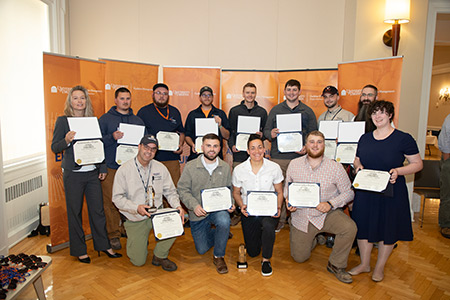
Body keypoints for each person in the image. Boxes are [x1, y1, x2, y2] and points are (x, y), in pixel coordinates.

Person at [350, 100, 422, 282]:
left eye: (382, 112)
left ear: (390, 115)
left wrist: (398, 171)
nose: (377, 116)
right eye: (374, 113)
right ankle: (364, 264)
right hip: (366, 190)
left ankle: (379, 268)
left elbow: (417, 164)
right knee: (363, 226)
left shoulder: (403, 138)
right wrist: (358, 166)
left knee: (387, 228)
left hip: (390, 191)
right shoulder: (364, 138)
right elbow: (356, 159)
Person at [51, 85, 121, 263]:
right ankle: (80, 250)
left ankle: (103, 245)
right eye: (75, 98)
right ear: (70, 101)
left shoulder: (93, 121)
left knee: (97, 211)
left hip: (92, 173)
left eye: (82, 98)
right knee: (74, 212)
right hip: (73, 174)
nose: (79, 101)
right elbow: (55, 147)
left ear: (86, 101)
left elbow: (98, 146)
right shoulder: (63, 121)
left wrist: (102, 167)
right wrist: (66, 140)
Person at [285, 130, 356, 284]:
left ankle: (336, 264)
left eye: (319, 142)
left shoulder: (335, 167)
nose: (315, 145)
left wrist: (331, 204)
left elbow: (349, 193)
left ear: (325, 145)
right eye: (312, 141)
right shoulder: (294, 164)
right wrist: (288, 201)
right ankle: (315, 239)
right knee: (299, 258)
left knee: (349, 228)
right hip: (301, 216)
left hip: (327, 214)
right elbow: (287, 189)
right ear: (305, 144)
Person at [112, 135, 185, 270]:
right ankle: (137, 241)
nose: (149, 151)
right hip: (135, 216)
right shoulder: (124, 169)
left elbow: (170, 192)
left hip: (157, 212)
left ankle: (160, 255)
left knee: (176, 221)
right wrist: (136, 207)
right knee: (138, 261)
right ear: (139, 147)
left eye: (153, 149)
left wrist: (177, 206)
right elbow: (117, 198)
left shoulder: (160, 168)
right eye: (146, 147)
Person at [263, 79, 317, 231]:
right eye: (289, 90)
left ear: (299, 92)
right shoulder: (276, 110)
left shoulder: (307, 111)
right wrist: (271, 133)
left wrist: (307, 147)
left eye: (294, 90)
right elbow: (267, 131)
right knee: (278, 189)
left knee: (298, 189)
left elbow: (314, 134)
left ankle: (297, 220)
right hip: (278, 157)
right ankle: (279, 219)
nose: (291, 92)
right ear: (284, 92)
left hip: (299, 158)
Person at [177, 133, 235, 274]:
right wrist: (194, 206)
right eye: (208, 145)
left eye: (215, 146)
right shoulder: (190, 167)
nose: (212, 149)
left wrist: (231, 203)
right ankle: (221, 232)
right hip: (198, 213)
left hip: (218, 211)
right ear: (202, 147)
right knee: (202, 249)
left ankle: (219, 256)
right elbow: (182, 189)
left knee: (223, 220)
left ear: (220, 147)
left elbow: (230, 189)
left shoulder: (225, 167)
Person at [98, 87, 145, 250]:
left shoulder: (138, 121)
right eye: (122, 98)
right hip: (111, 167)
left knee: (131, 199)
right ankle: (113, 234)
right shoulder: (105, 119)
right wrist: (112, 137)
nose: (125, 101)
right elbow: (97, 144)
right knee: (111, 201)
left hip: (132, 168)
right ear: (115, 100)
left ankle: (127, 228)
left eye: (128, 99)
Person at [232, 134, 283, 276]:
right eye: (253, 148)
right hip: (249, 212)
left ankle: (266, 260)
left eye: (260, 147)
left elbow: (279, 192)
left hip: (269, 211)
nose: (257, 151)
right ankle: (261, 239)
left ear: (264, 149)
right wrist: (241, 205)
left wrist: (278, 207)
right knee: (253, 252)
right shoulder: (239, 169)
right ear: (248, 151)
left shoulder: (274, 168)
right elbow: (236, 193)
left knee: (268, 226)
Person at [137, 83, 185, 185]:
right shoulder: (144, 112)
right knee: (151, 188)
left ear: (168, 96)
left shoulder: (174, 111)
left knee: (173, 188)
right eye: (158, 93)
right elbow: (138, 135)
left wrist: (180, 145)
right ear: (153, 95)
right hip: (150, 158)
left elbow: (181, 132)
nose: (161, 96)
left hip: (171, 158)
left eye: (165, 94)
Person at [185, 86, 230, 161]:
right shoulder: (192, 114)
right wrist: (193, 145)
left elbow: (227, 136)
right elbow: (187, 135)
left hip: (215, 156)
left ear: (212, 97)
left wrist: (220, 126)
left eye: (209, 95)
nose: (207, 97)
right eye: (204, 95)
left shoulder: (220, 114)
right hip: (196, 155)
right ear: (200, 98)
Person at [228, 82, 268, 168]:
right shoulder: (234, 111)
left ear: (255, 94)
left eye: (252, 93)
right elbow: (230, 132)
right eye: (247, 92)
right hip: (239, 154)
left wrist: (262, 135)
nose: (250, 95)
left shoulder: (262, 112)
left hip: (256, 154)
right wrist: (232, 145)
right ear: (243, 94)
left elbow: (266, 131)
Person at [438, 114, 450, 239]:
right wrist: (447, 163)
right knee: (447, 194)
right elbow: (445, 142)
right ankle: (446, 224)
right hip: (449, 160)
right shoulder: (449, 119)